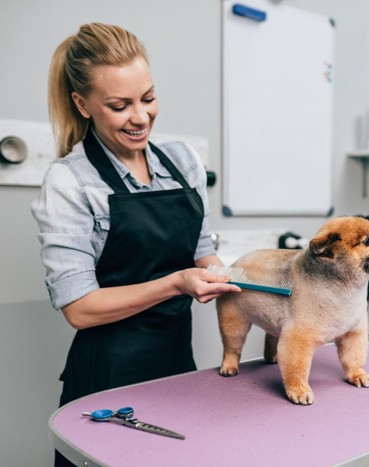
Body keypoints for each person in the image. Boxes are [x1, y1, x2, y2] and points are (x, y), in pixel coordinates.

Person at [31, 23, 241, 466]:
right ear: (82, 104)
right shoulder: (70, 182)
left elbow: (202, 249)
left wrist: (235, 278)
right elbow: (79, 308)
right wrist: (176, 284)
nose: (141, 117)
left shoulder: (183, 161)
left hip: (177, 369)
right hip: (106, 376)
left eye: (148, 98)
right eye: (119, 105)